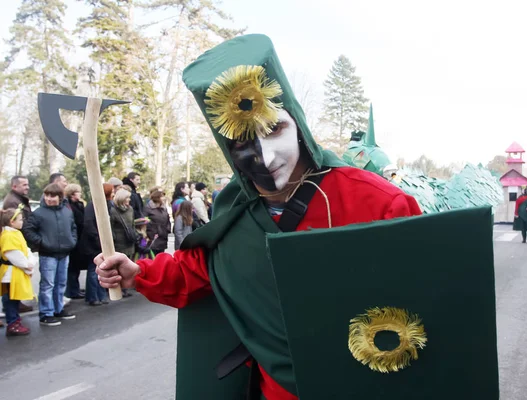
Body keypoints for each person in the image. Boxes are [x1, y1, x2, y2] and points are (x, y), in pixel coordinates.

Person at [95, 34, 421, 400]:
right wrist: (137, 272)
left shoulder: (378, 201)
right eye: (242, 142)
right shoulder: (233, 208)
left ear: (297, 124)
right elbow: (199, 270)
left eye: (273, 129)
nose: (263, 157)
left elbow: (423, 304)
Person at [22, 183, 77, 326]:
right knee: (48, 285)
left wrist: (72, 241)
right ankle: (46, 313)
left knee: (60, 283)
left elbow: (73, 228)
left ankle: (58, 309)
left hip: (64, 253)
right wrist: (41, 242)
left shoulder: (67, 212)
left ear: (60, 197)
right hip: (48, 255)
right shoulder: (39, 213)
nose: (49, 198)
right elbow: (28, 230)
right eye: (47, 195)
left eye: (52, 196)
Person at [0, 207, 35, 336]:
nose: (23, 221)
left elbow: (26, 250)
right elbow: (13, 255)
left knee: (13, 299)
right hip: (10, 273)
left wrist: (30, 262)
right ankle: (13, 323)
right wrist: (27, 265)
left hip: (16, 272)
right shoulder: (8, 235)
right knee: (10, 299)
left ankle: (15, 320)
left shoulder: (15, 233)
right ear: (11, 221)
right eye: (20, 219)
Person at [2, 176, 34, 313]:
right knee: (9, 294)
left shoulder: (19, 200)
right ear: (14, 186)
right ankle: (12, 316)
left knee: (12, 294)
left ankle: (15, 310)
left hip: (20, 241)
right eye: (24, 184)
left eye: (28, 184)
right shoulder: (12, 202)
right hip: (12, 263)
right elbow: (13, 254)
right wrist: (27, 265)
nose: (27, 187)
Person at [79, 183, 114, 306]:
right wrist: (99, 240)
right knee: (94, 271)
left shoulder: (107, 205)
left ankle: (101, 295)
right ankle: (92, 297)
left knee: (102, 269)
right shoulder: (91, 205)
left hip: (101, 244)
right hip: (93, 244)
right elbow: (88, 225)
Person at [110, 188, 136, 298]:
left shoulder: (130, 209)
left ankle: (125, 286)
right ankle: (118, 287)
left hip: (129, 241)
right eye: (127, 197)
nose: (129, 200)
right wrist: (113, 239)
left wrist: (135, 235)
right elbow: (110, 227)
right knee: (119, 266)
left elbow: (132, 224)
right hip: (119, 243)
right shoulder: (113, 211)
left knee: (128, 263)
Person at [65, 184, 86, 299]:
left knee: (76, 267)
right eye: (78, 192)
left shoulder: (79, 205)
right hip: (74, 239)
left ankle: (76, 289)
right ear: (73, 194)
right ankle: (72, 290)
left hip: (80, 239)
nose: (80, 194)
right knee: (72, 268)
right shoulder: (69, 206)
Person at [144, 189, 171, 255]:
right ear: (157, 197)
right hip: (153, 237)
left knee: (160, 257)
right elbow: (145, 222)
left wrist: (167, 229)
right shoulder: (148, 208)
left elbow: (167, 220)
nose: (164, 198)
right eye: (162, 196)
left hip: (163, 237)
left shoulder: (164, 208)